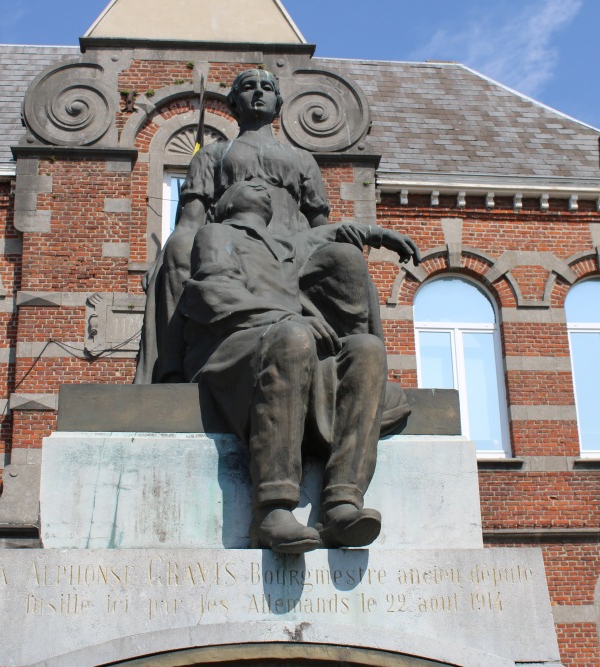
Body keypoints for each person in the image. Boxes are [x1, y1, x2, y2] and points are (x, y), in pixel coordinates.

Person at [181, 181, 419, 553]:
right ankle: (272, 510)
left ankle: (342, 503)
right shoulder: (216, 233)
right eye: (247, 185)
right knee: (293, 337)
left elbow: (329, 233)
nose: (259, 185)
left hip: (291, 341)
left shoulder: (285, 244)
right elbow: (214, 291)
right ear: (226, 204)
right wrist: (287, 317)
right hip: (239, 343)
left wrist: (376, 233)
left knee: (366, 350)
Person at [137, 67, 405, 384]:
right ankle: (172, 372)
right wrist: (165, 257)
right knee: (179, 248)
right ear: (235, 103)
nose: (259, 91)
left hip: (294, 250)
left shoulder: (302, 158)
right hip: (234, 249)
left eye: (267, 87)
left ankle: (355, 368)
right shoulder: (212, 155)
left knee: (346, 257)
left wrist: (351, 240)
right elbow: (190, 220)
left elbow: (320, 224)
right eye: (250, 87)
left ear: (277, 103)